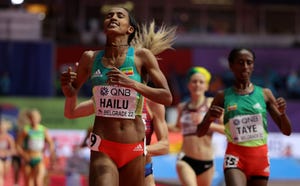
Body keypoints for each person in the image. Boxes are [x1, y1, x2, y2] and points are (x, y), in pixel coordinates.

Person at [60, 7, 176, 186]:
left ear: (130, 29)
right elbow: (71, 101)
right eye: (109, 15)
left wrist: (132, 84)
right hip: (103, 147)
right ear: (104, 27)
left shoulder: (142, 56)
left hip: (135, 148)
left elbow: (167, 97)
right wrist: (69, 92)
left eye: (120, 15)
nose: (113, 17)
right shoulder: (90, 58)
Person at [197, 48, 292, 186]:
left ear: (253, 65)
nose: (245, 67)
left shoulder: (265, 94)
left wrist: (282, 114)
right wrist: (210, 118)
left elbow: (286, 131)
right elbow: (200, 132)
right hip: (235, 157)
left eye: (249, 62)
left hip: (260, 159)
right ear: (231, 65)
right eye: (240, 62)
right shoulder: (222, 96)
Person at [168, 66, 225, 186]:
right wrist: (163, 125)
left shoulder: (212, 104)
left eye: (201, 82)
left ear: (206, 86)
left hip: (206, 161)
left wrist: (207, 124)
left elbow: (227, 130)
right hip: (185, 159)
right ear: (188, 85)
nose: (197, 84)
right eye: (194, 81)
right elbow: (178, 128)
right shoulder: (182, 107)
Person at [16, 108, 56, 186]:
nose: (34, 119)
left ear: (39, 118)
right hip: (28, 159)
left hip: (39, 158)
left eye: (36, 117)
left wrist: (51, 151)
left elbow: (50, 142)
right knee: (28, 183)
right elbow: (17, 145)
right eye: (32, 117)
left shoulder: (43, 129)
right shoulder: (26, 130)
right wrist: (24, 155)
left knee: (38, 181)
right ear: (29, 118)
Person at [0, 118, 16, 186]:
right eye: (1, 128)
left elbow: (13, 150)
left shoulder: (9, 138)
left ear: (6, 128)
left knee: (4, 174)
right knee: (0, 173)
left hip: (7, 158)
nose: (2, 129)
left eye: (3, 128)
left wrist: (6, 153)